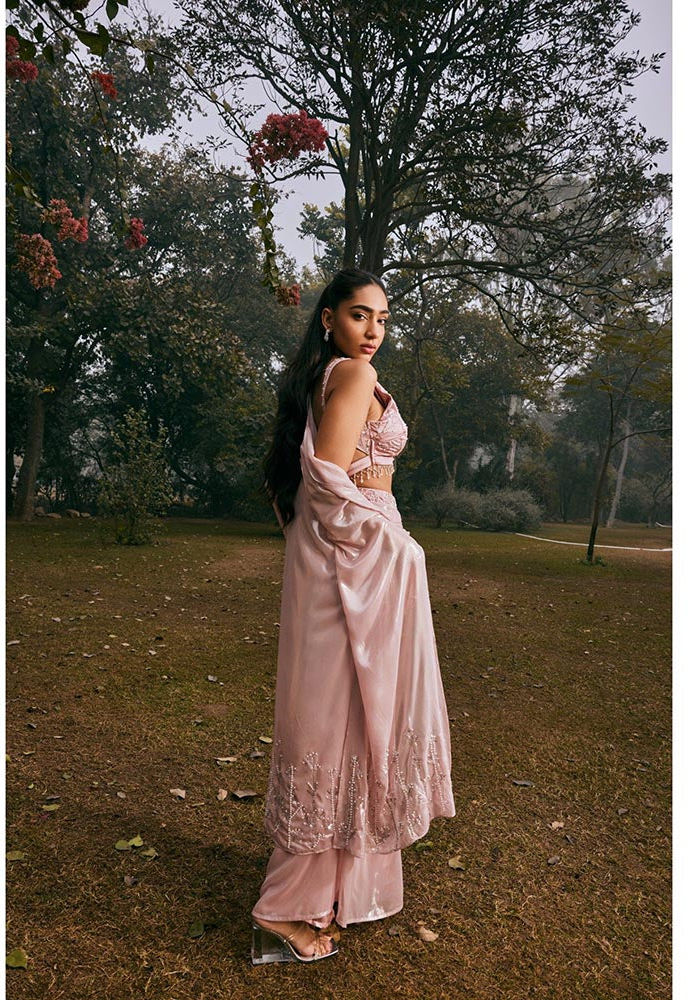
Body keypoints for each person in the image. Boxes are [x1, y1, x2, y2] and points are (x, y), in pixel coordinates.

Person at [252, 267, 456, 964]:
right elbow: (329, 482)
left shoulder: (326, 378)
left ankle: (329, 892)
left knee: (350, 727)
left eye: (383, 319)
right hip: (356, 562)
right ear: (329, 318)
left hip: (349, 561)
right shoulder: (353, 376)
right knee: (338, 728)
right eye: (360, 315)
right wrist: (398, 546)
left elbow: (309, 481)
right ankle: (282, 911)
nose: (373, 331)